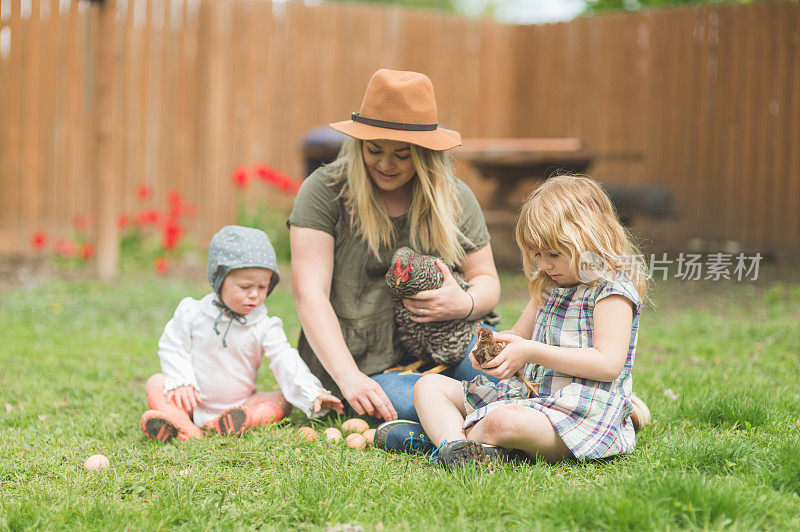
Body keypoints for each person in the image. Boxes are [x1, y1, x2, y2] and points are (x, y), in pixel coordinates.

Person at [289, 69, 501, 429]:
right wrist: (349, 377)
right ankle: (486, 420)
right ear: (358, 145)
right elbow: (310, 294)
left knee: (500, 381)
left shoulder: (454, 197)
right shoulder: (325, 191)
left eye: (402, 155)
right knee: (418, 401)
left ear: (425, 154)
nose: (385, 165)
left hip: (448, 343)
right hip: (364, 363)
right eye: (374, 150)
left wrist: (463, 303)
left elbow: (487, 279)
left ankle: (481, 415)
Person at [409, 175, 652, 469]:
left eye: (554, 253)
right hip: (527, 397)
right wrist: (493, 353)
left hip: (576, 413)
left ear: (591, 240)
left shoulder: (610, 290)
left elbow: (607, 364)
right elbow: (516, 336)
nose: (544, 264)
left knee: (502, 421)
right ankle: (461, 448)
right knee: (428, 386)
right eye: (537, 254)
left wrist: (531, 351)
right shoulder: (547, 285)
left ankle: (446, 441)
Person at [140, 225, 343, 443]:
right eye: (245, 287)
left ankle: (244, 418)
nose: (254, 295)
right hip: (191, 400)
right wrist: (182, 382)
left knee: (283, 400)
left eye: (263, 287)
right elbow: (173, 346)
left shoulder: (264, 325)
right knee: (155, 382)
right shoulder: (192, 312)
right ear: (219, 281)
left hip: (242, 402)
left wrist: (312, 393)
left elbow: (285, 358)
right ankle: (185, 424)